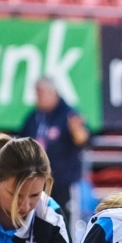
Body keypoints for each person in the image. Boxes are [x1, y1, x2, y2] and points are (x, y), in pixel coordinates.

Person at [19, 78, 90, 230]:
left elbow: (84, 139)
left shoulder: (69, 114)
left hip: (64, 184)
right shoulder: (34, 117)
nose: (37, 97)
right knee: (39, 227)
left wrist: (78, 133)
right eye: (36, 93)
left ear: (53, 92)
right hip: (38, 184)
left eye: (41, 93)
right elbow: (20, 141)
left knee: (65, 224)